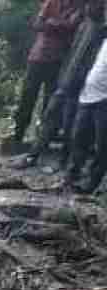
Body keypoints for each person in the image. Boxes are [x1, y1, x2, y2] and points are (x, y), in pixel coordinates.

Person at [20, 2, 107, 167]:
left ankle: (64, 161)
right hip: (67, 79)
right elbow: (72, 51)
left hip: (82, 85)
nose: (90, 7)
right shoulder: (85, 25)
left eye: (95, 5)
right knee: (51, 115)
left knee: (70, 125)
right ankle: (33, 155)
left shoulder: (101, 32)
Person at [5, 0, 85, 154]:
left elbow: (71, 26)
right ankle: (18, 137)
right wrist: (59, 25)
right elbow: (38, 24)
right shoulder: (52, 2)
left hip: (57, 61)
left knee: (49, 103)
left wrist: (51, 23)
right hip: (37, 57)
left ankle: (42, 141)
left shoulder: (78, 8)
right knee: (26, 98)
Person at [65, 34, 107, 192]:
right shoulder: (101, 39)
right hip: (87, 95)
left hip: (104, 100)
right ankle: (71, 176)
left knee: (102, 145)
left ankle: (92, 184)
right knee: (78, 137)